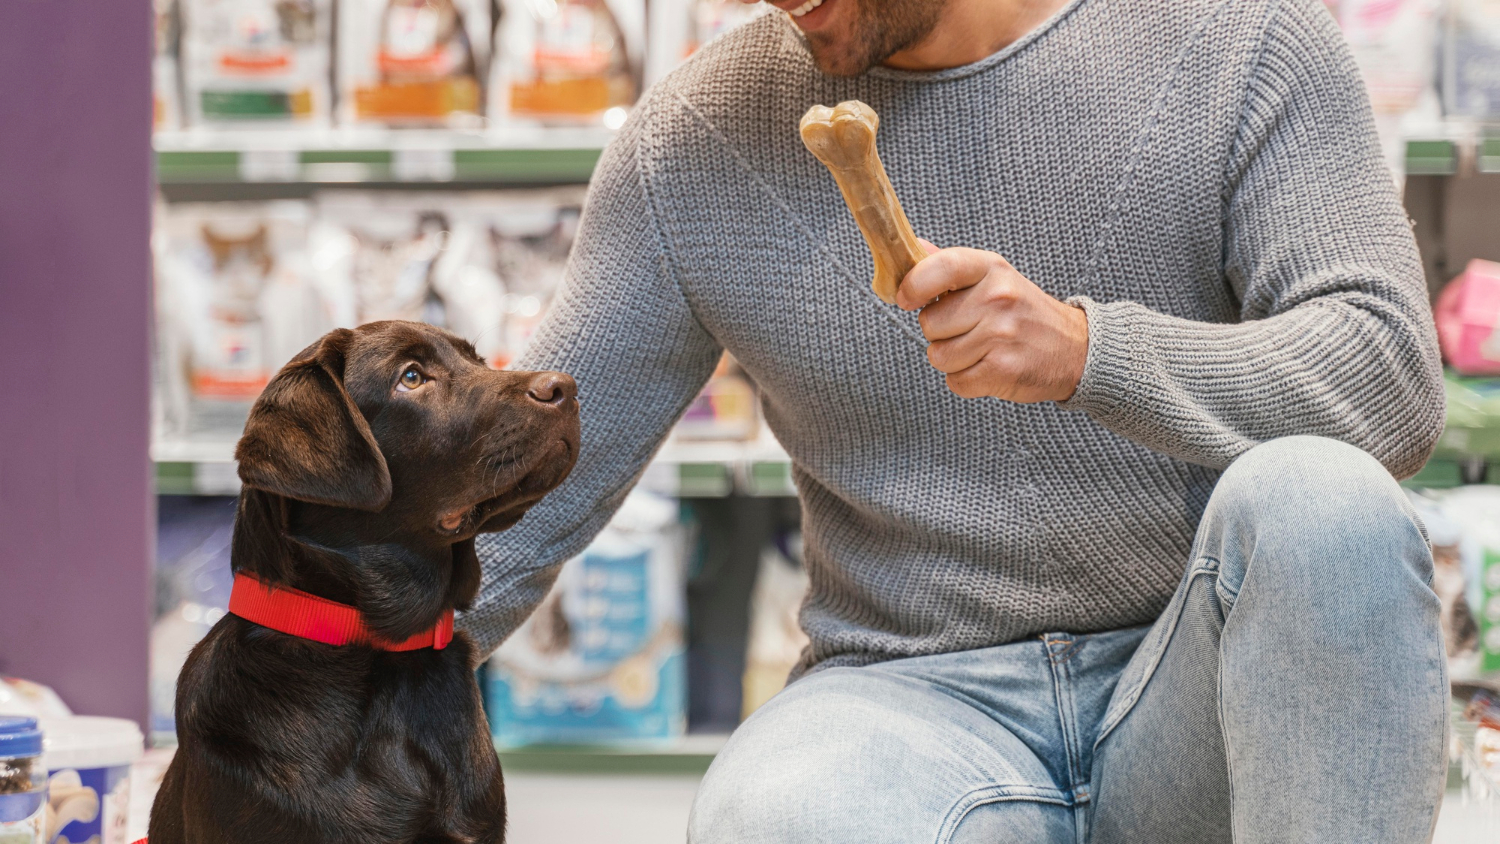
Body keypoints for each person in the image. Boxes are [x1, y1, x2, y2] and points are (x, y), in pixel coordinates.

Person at [461, 0, 1450, 839]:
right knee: (775, 817)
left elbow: (1391, 385)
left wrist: (1087, 352)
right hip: (905, 701)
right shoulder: (692, 141)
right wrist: (313, 668)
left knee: (1328, 506)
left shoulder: (1241, 36)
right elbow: (505, 505)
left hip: (1199, 674)